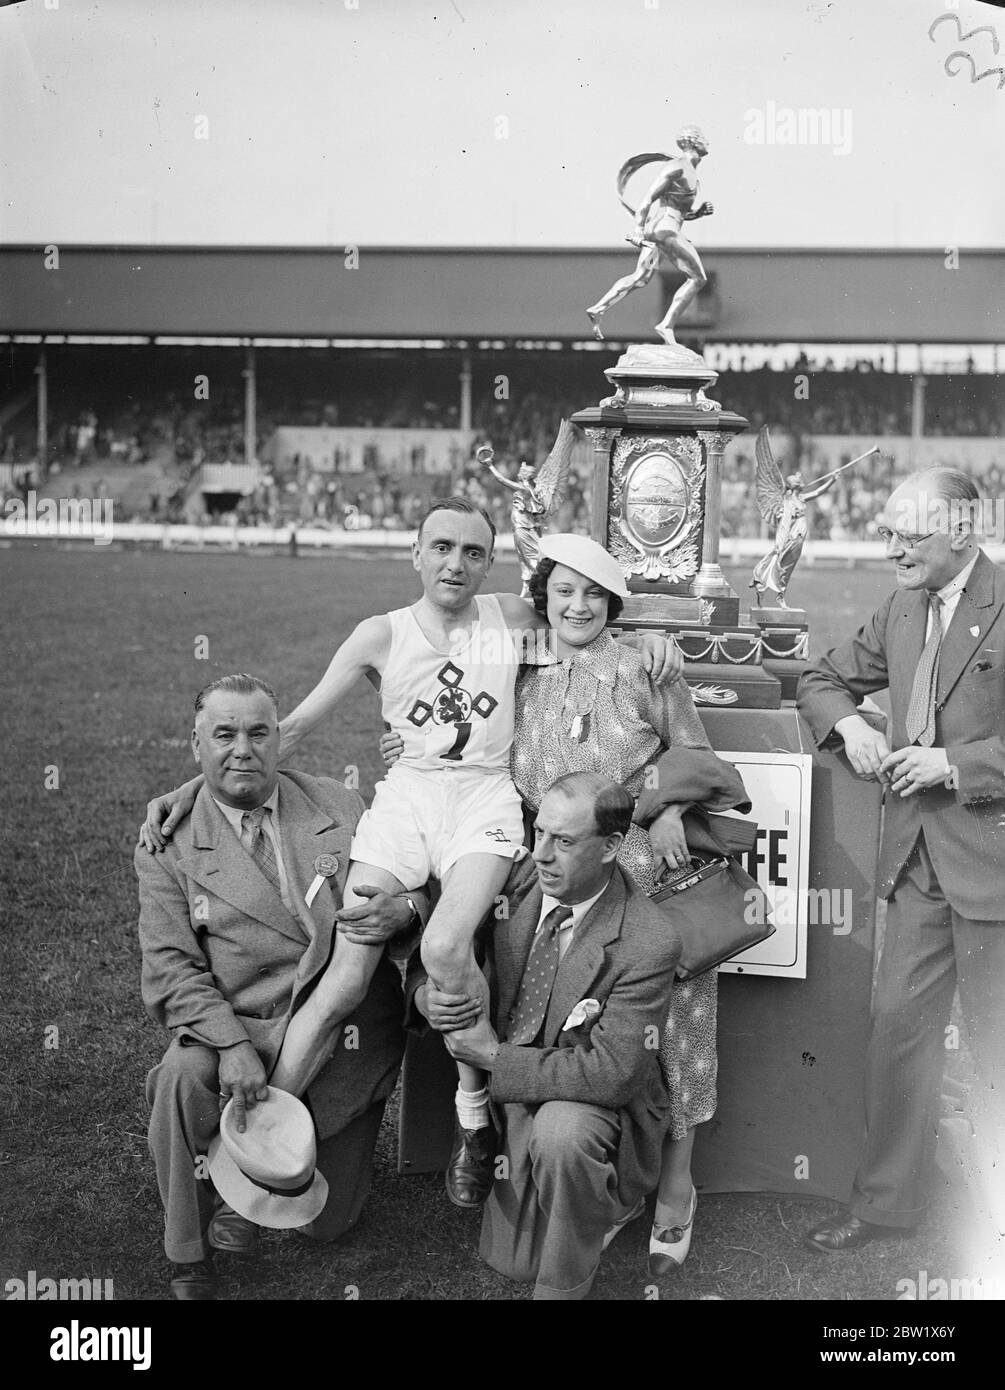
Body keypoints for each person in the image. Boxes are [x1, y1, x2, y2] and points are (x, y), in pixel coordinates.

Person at [139, 499, 678, 1212]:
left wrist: (658, 635)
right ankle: (265, 1140)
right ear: (415, 554)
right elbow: (286, 729)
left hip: (482, 799)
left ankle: (473, 1121)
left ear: (490, 563)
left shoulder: (510, 620)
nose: (455, 564)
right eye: (441, 548)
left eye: (473, 552)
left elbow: (590, 611)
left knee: (450, 947)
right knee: (342, 978)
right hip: (407, 799)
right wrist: (191, 791)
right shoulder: (379, 635)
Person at [383, 533, 748, 1272]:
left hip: (643, 866)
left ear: (611, 604)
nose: (577, 606)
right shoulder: (516, 663)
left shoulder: (644, 662)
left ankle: (674, 1185)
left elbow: (696, 755)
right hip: (541, 866)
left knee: (674, 1028)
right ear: (542, 598)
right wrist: (407, 747)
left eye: (592, 594)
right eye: (563, 592)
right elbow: (452, 721)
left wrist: (670, 807)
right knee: (542, 1011)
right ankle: (509, 1147)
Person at [136, 674, 424, 1300]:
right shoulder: (168, 841)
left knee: (326, 1223)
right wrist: (231, 1046)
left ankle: (248, 1160)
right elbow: (170, 967)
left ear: (279, 740)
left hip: (343, 1039)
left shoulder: (339, 806)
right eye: (224, 734)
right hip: (234, 1025)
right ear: (196, 745)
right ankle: (188, 1254)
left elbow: (411, 876)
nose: (242, 749)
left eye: (258, 732)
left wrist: (406, 912)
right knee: (181, 1078)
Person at [797, 467, 1005, 1261]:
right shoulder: (900, 607)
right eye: (884, 532)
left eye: (904, 535)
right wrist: (849, 725)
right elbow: (820, 678)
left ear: (960, 529)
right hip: (916, 867)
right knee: (896, 1032)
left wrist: (954, 765)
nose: (889, 550)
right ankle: (886, 1204)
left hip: (991, 867)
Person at [408, 771, 683, 1300]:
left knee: (562, 1135)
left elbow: (612, 1075)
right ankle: (582, 1203)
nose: (541, 854)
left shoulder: (649, 940)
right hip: (516, 1098)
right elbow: (439, 944)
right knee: (512, 1263)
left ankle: (568, 1280)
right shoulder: (513, 881)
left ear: (611, 847)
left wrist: (493, 1057)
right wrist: (426, 996)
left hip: (595, 1108)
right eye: (540, 833)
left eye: (563, 841)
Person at [586, 126, 714, 346]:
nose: (708, 143)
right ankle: (666, 325)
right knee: (697, 278)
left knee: (641, 277)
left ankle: (598, 308)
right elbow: (648, 199)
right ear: (693, 142)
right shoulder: (677, 167)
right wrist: (638, 230)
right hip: (664, 230)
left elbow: (678, 211)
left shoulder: (692, 174)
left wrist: (698, 213)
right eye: (704, 139)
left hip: (664, 228)